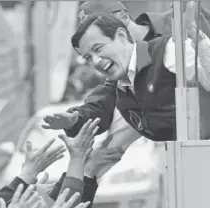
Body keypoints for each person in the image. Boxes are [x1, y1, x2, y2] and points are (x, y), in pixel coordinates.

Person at [43, 7, 210, 177]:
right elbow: (100, 111)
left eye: (98, 48)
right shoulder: (123, 84)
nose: (96, 61)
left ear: (122, 34)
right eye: (88, 57)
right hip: (187, 165)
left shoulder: (168, 49)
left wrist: (200, 40)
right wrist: (74, 120)